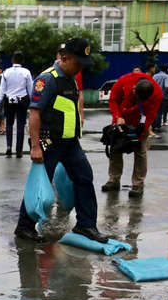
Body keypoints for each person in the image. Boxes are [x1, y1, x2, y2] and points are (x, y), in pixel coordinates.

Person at [14, 38, 109, 244]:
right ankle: (24, 226)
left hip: (70, 143)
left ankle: (86, 225)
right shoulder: (47, 79)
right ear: (65, 59)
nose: (81, 67)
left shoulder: (71, 77)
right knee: (40, 184)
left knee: (84, 177)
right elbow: (34, 114)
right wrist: (35, 146)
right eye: (78, 63)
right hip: (49, 142)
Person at [102, 71, 163, 198]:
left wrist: (140, 134)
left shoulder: (157, 93)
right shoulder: (124, 82)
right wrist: (117, 116)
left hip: (141, 122)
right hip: (122, 119)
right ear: (134, 89)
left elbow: (151, 115)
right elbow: (113, 100)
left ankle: (138, 184)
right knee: (115, 149)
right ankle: (114, 179)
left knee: (140, 150)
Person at [0, 52, 33, 158]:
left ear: (12, 60)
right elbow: (31, 90)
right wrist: (34, 103)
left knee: (9, 124)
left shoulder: (6, 72)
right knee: (20, 125)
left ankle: (9, 147)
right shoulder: (26, 72)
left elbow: (2, 90)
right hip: (22, 101)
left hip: (9, 101)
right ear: (22, 61)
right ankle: (19, 150)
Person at [152, 64, 168, 134]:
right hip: (161, 96)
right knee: (159, 112)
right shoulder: (166, 76)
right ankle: (158, 126)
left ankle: (153, 125)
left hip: (154, 96)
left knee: (154, 111)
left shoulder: (155, 76)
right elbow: (166, 86)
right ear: (167, 69)